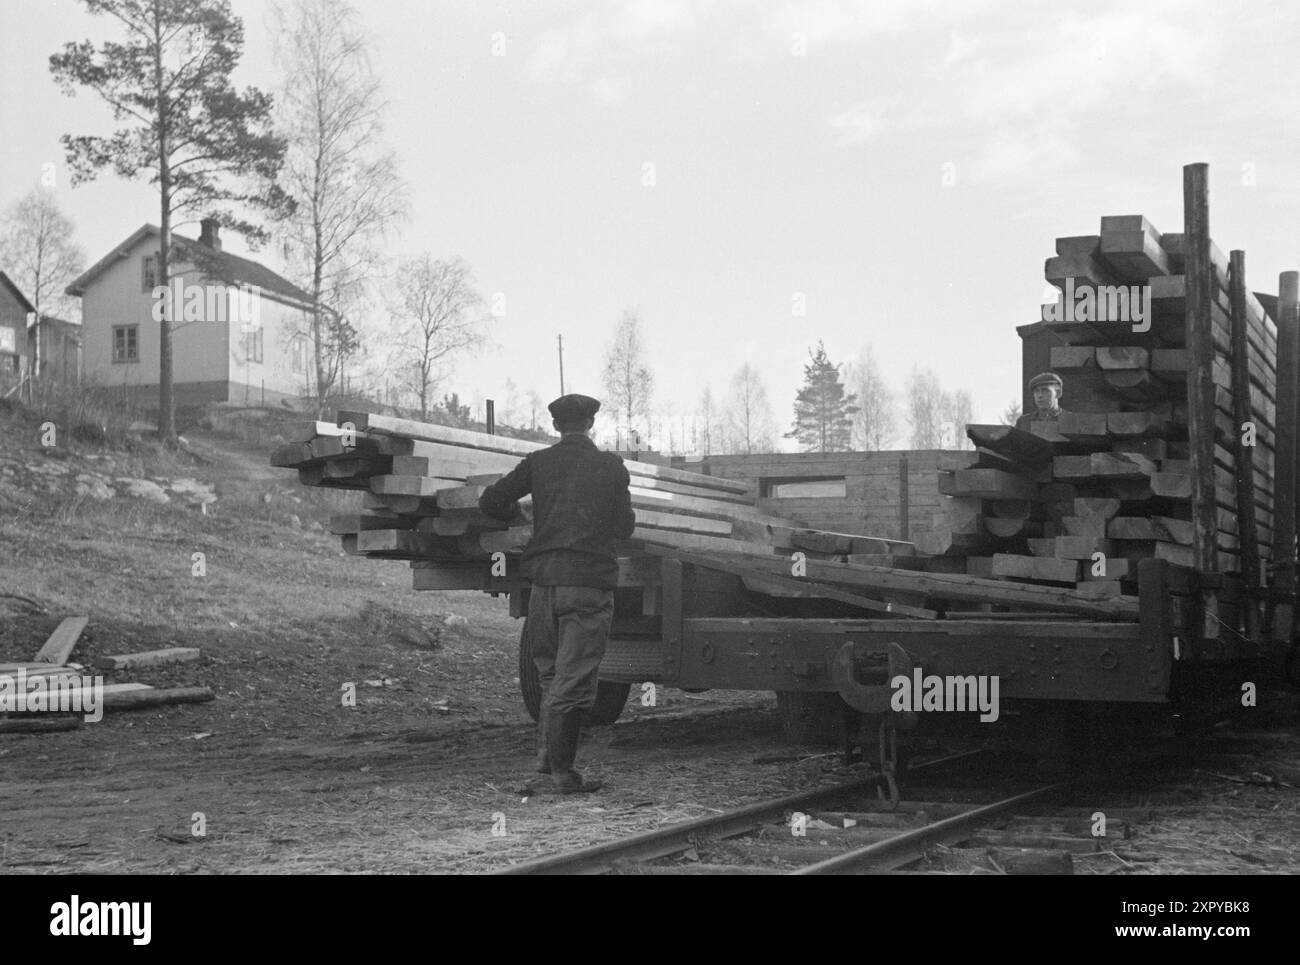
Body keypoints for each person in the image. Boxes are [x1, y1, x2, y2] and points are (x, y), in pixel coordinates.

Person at [478, 393, 636, 794]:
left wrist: (524, 519)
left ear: (555, 427)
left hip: (543, 586)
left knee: (550, 675)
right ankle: (565, 775)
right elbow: (623, 529)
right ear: (591, 425)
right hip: (587, 586)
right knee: (574, 679)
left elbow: (491, 500)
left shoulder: (539, 463)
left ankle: (547, 759)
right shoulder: (610, 466)